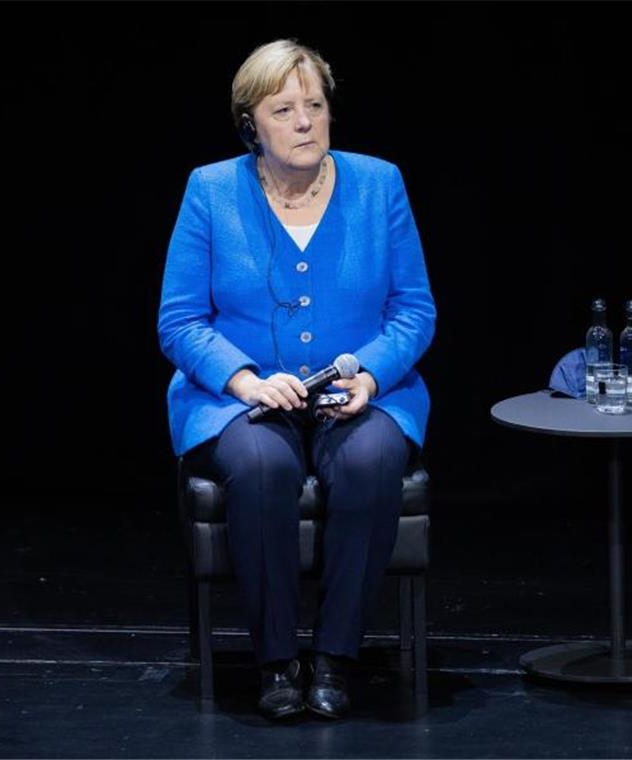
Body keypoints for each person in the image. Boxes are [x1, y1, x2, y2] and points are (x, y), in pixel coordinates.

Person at [157, 39, 436, 720]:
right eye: (285, 109)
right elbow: (181, 320)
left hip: (357, 394)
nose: (306, 121)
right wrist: (245, 380)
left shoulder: (379, 184)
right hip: (242, 403)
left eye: (315, 105)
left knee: (371, 459)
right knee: (260, 469)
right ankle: (277, 661)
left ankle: (336, 659)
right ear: (252, 122)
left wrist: (371, 376)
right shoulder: (211, 190)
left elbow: (414, 309)